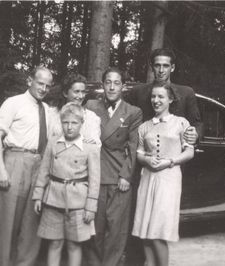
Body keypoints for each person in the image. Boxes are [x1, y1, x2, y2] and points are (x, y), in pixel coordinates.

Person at [0, 66, 53, 266]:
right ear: (30, 81)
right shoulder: (13, 103)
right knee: (9, 221)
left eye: (47, 86)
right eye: (40, 83)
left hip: (39, 164)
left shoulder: (47, 110)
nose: (43, 89)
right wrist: (0, 168)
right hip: (15, 161)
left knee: (32, 222)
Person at [85, 68, 143, 266]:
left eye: (116, 82)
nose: (111, 86)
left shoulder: (133, 112)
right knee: (94, 227)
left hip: (119, 177)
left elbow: (134, 147)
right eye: (108, 82)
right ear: (103, 85)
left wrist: (126, 176)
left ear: (123, 86)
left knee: (116, 229)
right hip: (94, 175)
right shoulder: (91, 106)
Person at [132, 83, 194, 266]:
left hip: (169, 179)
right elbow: (139, 153)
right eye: (153, 97)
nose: (156, 101)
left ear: (170, 99)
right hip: (148, 179)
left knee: (158, 233)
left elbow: (189, 152)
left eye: (161, 97)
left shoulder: (181, 123)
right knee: (146, 233)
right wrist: (146, 161)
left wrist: (170, 161)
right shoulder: (144, 127)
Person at [32, 102, 101, 266]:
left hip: (78, 203)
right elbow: (44, 170)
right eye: (66, 122)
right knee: (54, 243)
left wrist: (91, 206)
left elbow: (95, 180)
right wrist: (38, 196)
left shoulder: (90, 147)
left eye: (74, 123)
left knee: (74, 244)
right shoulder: (54, 143)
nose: (69, 127)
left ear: (81, 124)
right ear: (61, 122)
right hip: (53, 199)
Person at [127, 48, 202, 143]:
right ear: (151, 67)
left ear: (173, 67)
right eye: (157, 66)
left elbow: (197, 123)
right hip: (144, 150)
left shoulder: (186, 93)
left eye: (165, 66)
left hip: (176, 152)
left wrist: (195, 134)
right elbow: (127, 122)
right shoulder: (138, 92)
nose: (161, 70)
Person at [48, 73, 101, 144]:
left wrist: (93, 143)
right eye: (77, 91)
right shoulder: (53, 114)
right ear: (65, 93)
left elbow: (96, 145)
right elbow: (47, 142)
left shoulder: (91, 118)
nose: (81, 96)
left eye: (83, 92)